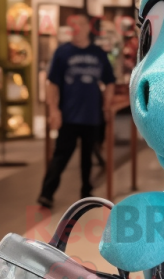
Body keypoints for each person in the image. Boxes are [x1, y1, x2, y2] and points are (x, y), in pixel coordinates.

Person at [38, 12, 116, 208]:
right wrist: (54, 110)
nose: (75, 28)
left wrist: (106, 106)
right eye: (72, 25)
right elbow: (52, 83)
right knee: (61, 155)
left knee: (88, 157)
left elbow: (109, 81)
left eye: (79, 24)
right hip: (69, 115)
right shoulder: (62, 52)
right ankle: (46, 194)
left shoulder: (98, 53)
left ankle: (86, 192)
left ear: (88, 27)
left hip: (92, 115)